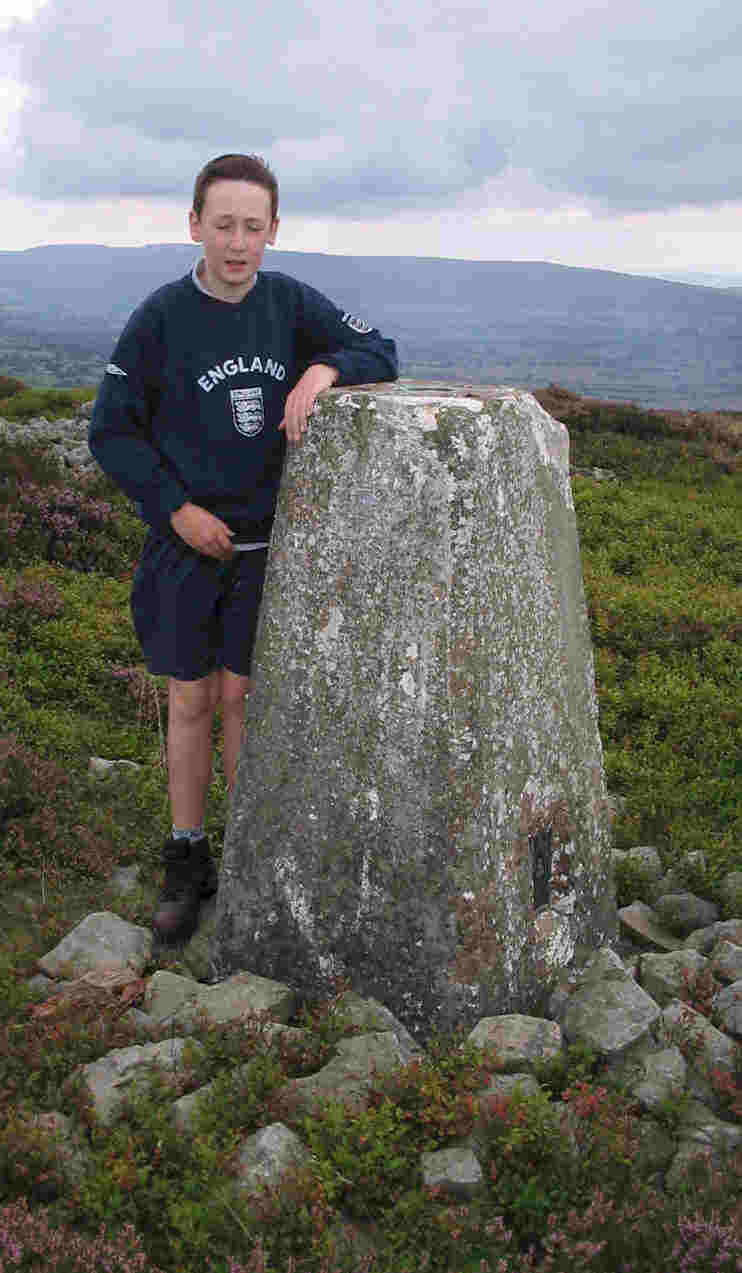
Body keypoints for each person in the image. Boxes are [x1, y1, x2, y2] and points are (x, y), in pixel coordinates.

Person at [89, 153, 398, 943]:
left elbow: (382, 350)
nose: (237, 242)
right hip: (189, 545)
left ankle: (254, 852)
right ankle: (188, 854)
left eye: (252, 227)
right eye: (222, 225)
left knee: (245, 700)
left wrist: (326, 365)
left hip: (268, 550)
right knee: (191, 698)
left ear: (272, 231)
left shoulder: (289, 304)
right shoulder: (161, 317)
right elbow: (111, 429)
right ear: (194, 225)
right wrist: (173, 510)